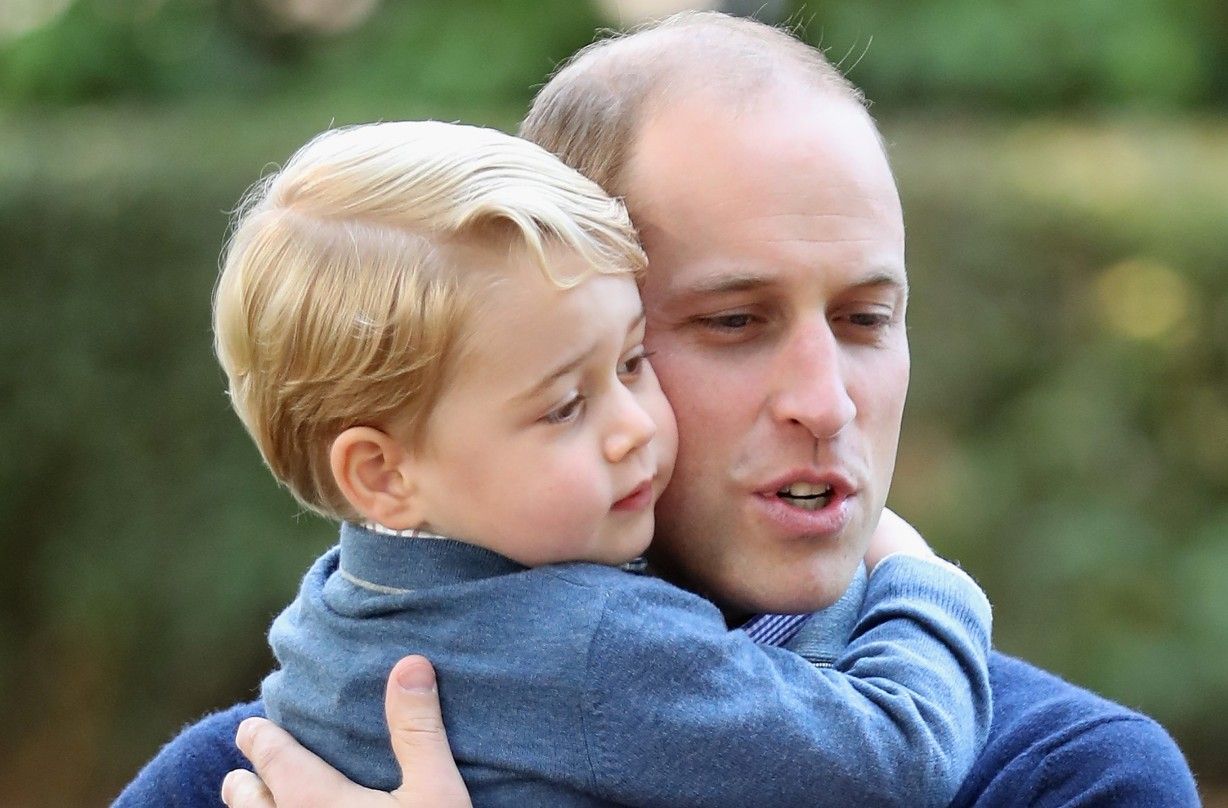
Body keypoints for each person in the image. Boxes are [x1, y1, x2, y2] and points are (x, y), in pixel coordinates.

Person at [134, 11, 1201, 808]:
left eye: (867, 317)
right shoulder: (249, 781)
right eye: (732, 322)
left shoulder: (1067, 779)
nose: (826, 403)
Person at [117, 118, 993, 805]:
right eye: (565, 406)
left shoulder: (330, 622)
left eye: (631, 361)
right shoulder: (598, 641)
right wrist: (918, 581)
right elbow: (897, 756)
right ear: (382, 474)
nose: (633, 429)